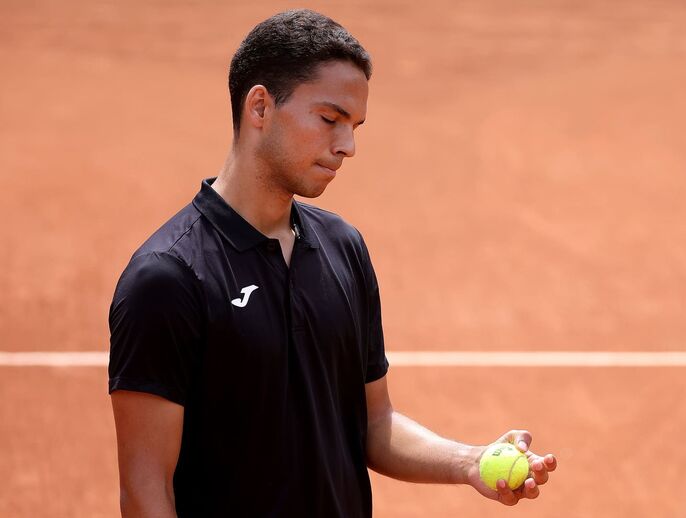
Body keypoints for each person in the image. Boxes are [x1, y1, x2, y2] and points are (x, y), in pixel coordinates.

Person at [108, 9, 556, 517]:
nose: (348, 146)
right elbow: (146, 490)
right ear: (260, 107)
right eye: (329, 119)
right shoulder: (168, 279)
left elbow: (373, 422)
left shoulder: (343, 247)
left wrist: (469, 461)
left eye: (355, 125)